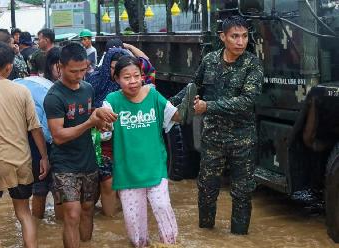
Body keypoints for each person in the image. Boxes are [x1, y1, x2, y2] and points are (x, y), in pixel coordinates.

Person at [171, 15, 263, 235]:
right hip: (213, 138)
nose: (240, 41)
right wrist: (167, 104)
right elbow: (195, 87)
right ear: (223, 37)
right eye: (235, 36)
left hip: (243, 139)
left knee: (242, 193)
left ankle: (239, 238)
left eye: (244, 36)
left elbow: (247, 101)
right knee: (206, 189)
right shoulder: (210, 60)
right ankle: (206, 233)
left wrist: (207, 107)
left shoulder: (253, 64)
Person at [0, 41, 50, 247]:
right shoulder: (22, 92)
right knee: (23, 213)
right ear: (9, 67)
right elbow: (35, 128)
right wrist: (44, 158)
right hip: (20, 161)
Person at [44, 43, 117, 248]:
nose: (79, 75)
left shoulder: (88, 88)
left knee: (87, 209)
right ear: (60, 66)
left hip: (88, 159)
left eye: (83, 70)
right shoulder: (54, 96)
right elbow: (58, 136)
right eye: (73, 71)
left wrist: (100, 119)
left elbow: (88, 114)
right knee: (72, 214)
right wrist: (90, 123)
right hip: (64, 163)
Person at [103, 55, 179, 247]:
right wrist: (98, 118)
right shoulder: (111, 102)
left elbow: (175, 115)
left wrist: (191, 106)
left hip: (155, 167)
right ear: (117, 79)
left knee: (162, 207)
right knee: (134, 222)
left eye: (136, 75)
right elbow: (102, 129)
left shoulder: (153, 95)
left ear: (142, 75)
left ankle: (170, 244)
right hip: (127, 171)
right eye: (127, 77)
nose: (133, 81)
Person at [14, 47, 62, 220]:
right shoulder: (45, 89)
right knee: (50, 189)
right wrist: (45, 156)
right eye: (60, 66)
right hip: (42, 144)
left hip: (35, 144)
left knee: (49, 190)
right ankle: (48, 232)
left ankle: (42, 230)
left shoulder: (26, 83)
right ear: (51, 66)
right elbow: (42, 129)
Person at [86, 47, 129, 217]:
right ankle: (107, 219)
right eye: (112, 68)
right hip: (100, 139)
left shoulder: (129, 85)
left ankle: (112, 218)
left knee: (119, 181)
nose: (115, 72)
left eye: (120, 68)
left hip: (123, 138)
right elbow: (86, 109)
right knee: (105, 181)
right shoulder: (94, 81)